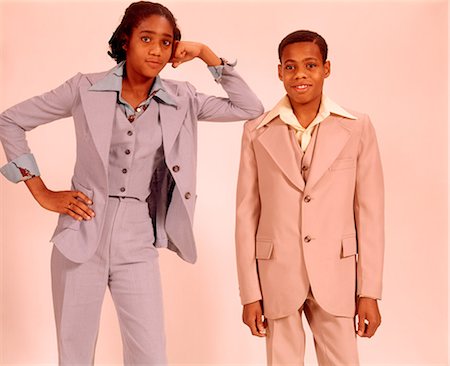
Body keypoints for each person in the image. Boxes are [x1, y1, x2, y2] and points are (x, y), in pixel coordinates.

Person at [0, 2, 264, 364]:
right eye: (146, 38)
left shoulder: (181, 98)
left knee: (150, 354)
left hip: (137, 238)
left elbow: (249, 107)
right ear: (126, 41)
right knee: (74, 352)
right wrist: (41, 191)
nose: (157, 50)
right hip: (80, 230)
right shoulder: (84, 87)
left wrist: (205, 53)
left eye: (167, 42)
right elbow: (10, 121)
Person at [235, 30, 384, 365]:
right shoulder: (257, 131)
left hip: (337, 274)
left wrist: (369, 292)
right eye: (290, 67)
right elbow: (246, 215)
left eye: (310, 65)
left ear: (326, 68)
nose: (300, 74)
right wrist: (250, 293)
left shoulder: (357, 127)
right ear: (279, 72)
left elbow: (370, 213)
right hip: (276, 274)